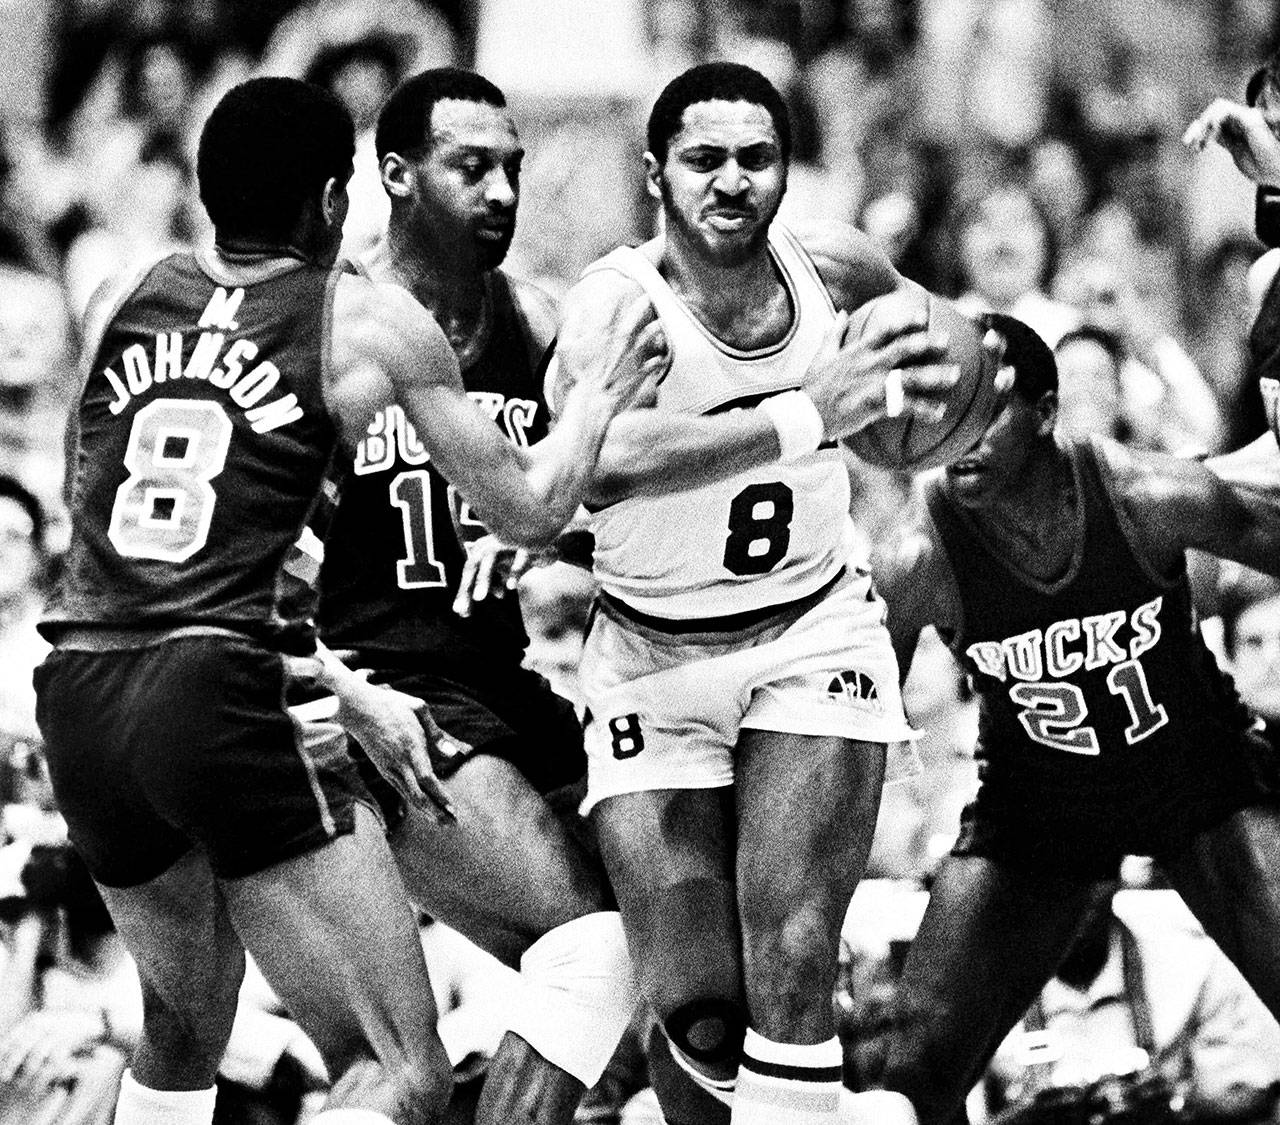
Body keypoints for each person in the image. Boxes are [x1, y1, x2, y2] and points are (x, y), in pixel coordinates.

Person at [33, 76, 667, 1125]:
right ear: (339, 200)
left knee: (184, 1030)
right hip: (228, 686)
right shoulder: (367, 320)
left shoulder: (120, 297)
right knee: (396, 1075)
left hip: (82, 686)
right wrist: (596, 399)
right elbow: (525, 511)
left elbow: (83, 508)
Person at [548, 61, 968, 1125]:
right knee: (694, 1015)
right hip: (651, 659)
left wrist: (940, 401)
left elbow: (947, 351)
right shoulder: (616, 303)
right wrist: (805, 409)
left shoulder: (834, 264)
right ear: (655, 173)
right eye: (702, 160)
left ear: (786, 168)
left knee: (791, 962)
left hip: (809, 630)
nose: (730, 181)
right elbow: (608, 460)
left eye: (754, 158)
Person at [314, 67, 636, 1125]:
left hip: (500, 678)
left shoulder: (531, 319)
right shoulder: (337, 327)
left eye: (510, 168)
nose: (500, 192)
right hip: (384, 692)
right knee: (592, 953)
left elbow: (579, 512)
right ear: (395, 175)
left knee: (671, 974)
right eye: (470, 168)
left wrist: (550, 543)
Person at [871, 314, 1280, 1125]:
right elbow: (840, 712)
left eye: (987, 413)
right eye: (944, 416)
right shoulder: (919, 552)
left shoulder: (1143, 493)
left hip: (1194, 777)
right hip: (1040, 808)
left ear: (1047, 412)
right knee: (908, 1070)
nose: (964, 438)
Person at [982, 884, 1280, 1124]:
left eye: (1083, 875)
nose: (1069, 899)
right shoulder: (981, 988)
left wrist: (1178, 1105)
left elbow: (1254, 1098)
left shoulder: (1193, 961)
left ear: (1113, 877)